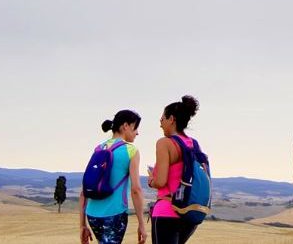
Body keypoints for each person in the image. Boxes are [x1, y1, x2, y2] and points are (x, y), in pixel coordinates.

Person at [79, 109, 146, 244]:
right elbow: (136, 190)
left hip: (92, 214)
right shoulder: (131, 150)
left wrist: (82, 225)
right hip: (114, 214)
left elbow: (84, 189)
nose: (137, 132)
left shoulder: (99, 148)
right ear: (125, 126)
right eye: (135, 127)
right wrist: (141, 224)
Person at [147, 96, 203, 244]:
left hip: (167, 211)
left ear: (171, 119)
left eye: (162, 119)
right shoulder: (194, 144)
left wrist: (151, 181)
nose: (160, 124)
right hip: (189, 214)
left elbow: (161, 181)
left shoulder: (164, 143)